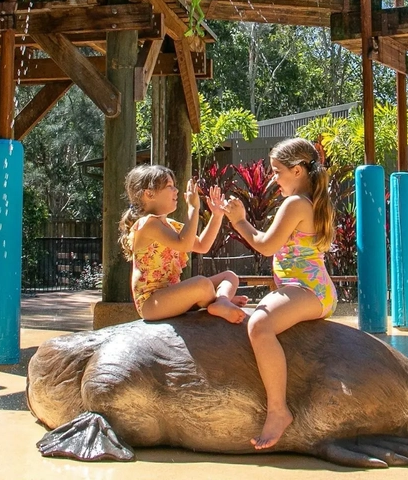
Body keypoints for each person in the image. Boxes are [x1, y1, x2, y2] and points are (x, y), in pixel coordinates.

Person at [222, 138, 337, 451]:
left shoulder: (296, 203)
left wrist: (239, 221)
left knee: (259, 325)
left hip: (309, 291)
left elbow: (266, 245)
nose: (273, 178)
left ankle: (278, 410)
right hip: (306, 289)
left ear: (297, 170)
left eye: (277, 172)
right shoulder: (307, 199)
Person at [119, 164, 246, 324]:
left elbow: (202, 246)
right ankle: (219, 301)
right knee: (202, 284)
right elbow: (184, 245)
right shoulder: (147, 224)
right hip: (152, 303)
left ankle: (221, 301)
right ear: (149, 194)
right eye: (169, 186)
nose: (176, 191)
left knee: (229, 276)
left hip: (174, 295)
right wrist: (193, 208)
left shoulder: (171, 225)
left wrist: (217, 215)